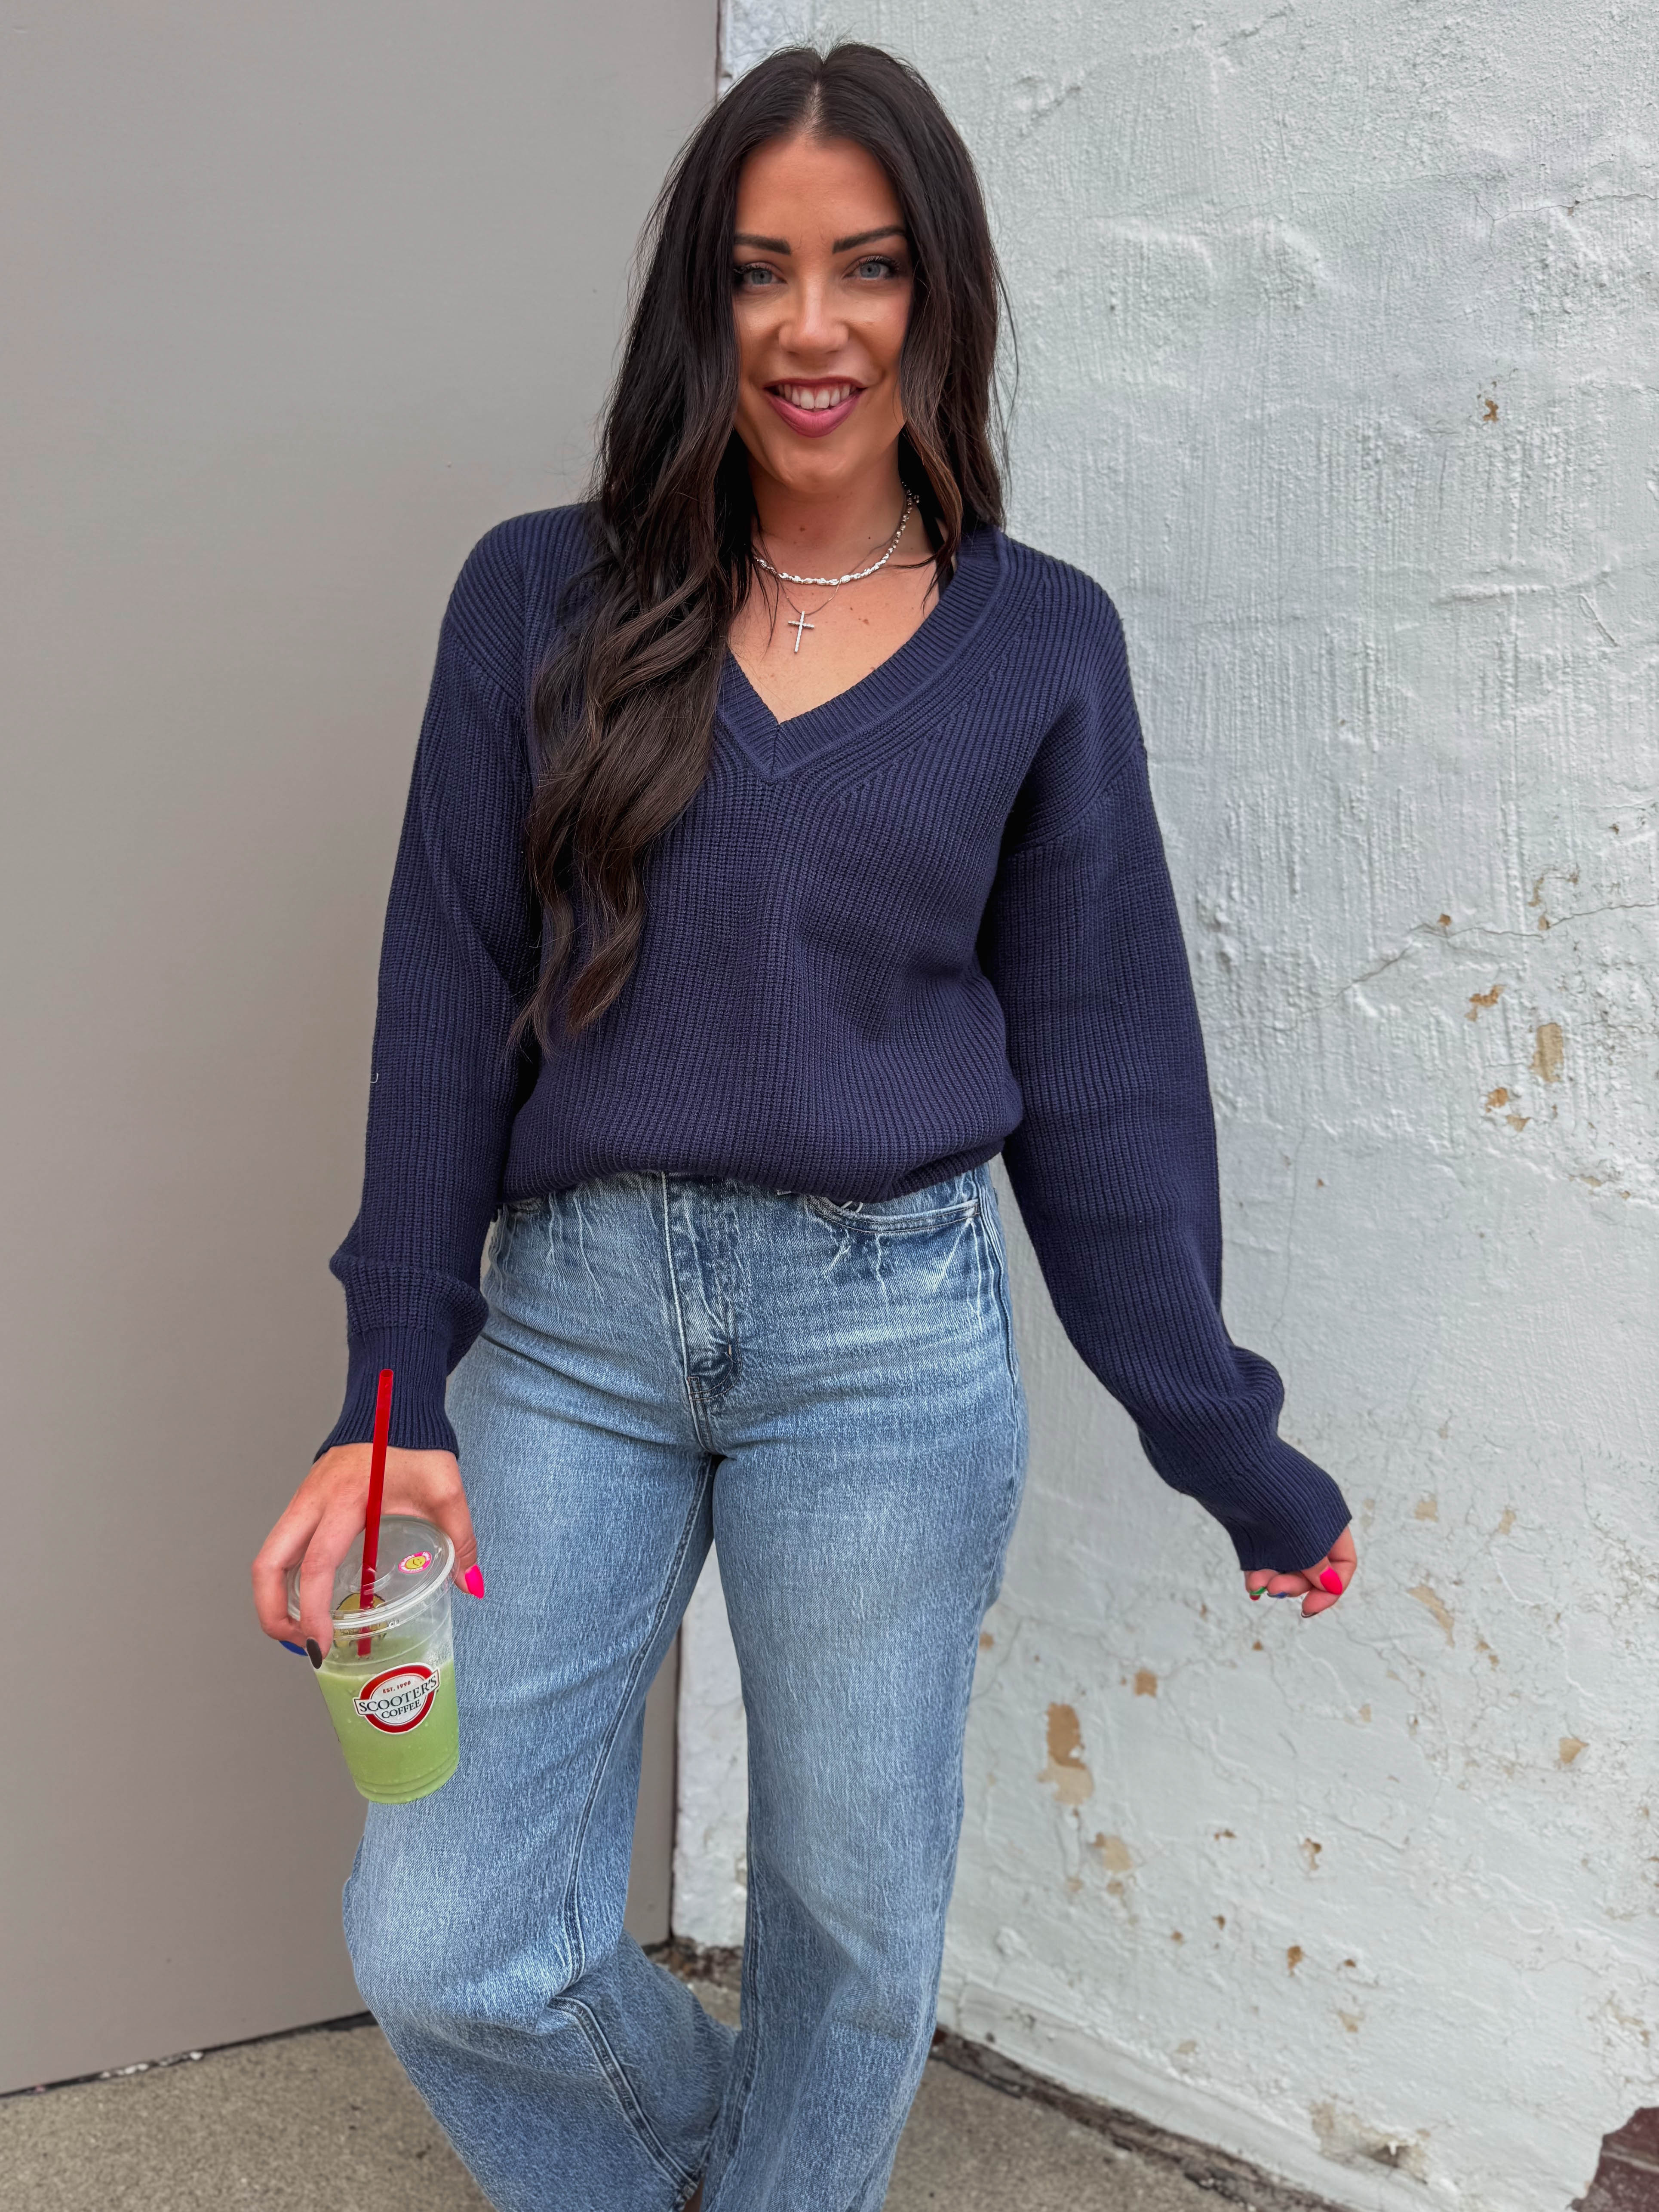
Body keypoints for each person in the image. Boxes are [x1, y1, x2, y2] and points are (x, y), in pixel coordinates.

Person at [252, 41, 1357, 2212]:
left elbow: (1105, 1071)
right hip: (570, 1327)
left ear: (940, 294)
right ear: (702, 296)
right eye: (759, 270)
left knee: (848, 1936)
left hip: (884, 1338)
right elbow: (443, 997)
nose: (811, 325)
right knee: (448, 1934)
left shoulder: (1038, 646)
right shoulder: (538, 596)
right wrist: (387, 1392)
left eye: (867, 267)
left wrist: (1219, 1433)